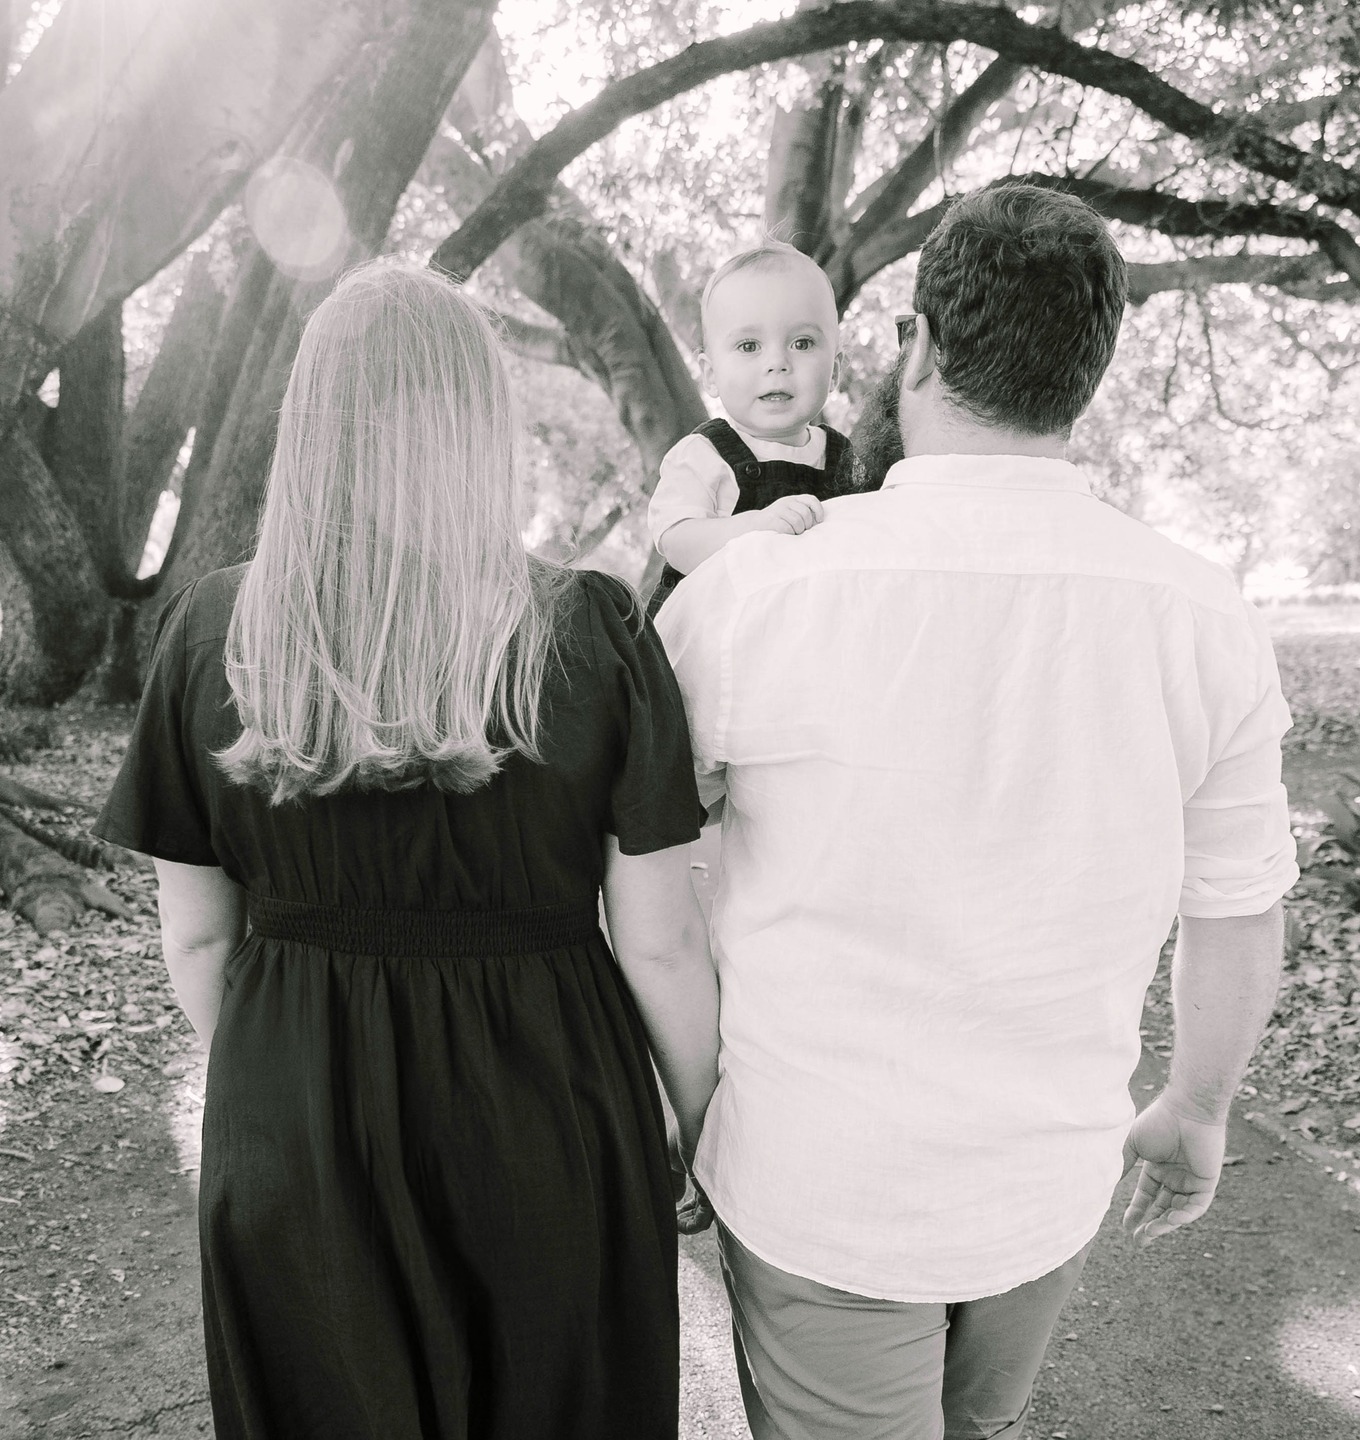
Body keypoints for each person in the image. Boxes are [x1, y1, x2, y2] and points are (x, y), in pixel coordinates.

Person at [656, 183, 1297, 1440]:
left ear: (921, 347)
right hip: (1041, 1179)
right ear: (1085, 375)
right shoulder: (1201, 616)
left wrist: (667, 1109)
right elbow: (1238, 906)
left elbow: (649, 888)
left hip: (816, 1180)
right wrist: (1198, 1107)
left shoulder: (758, 592)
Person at [93, 261, 720, 1440]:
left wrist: (292, 1085)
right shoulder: (589, 629)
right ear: (478, 423)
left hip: (290, 1125)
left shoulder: (213, 632)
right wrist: (698, 1120)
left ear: (312, 421)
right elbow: (663, 943)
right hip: (550, 1116)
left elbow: (196, 935)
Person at [645, 240, 855, 614]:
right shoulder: (703, 456)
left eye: (802, 343)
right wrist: (755, 527)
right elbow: (676, 539)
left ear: (835, 370)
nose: (777, 362)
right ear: (710, 374)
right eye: (748, 346)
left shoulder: (849, 462)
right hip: (709, 642)